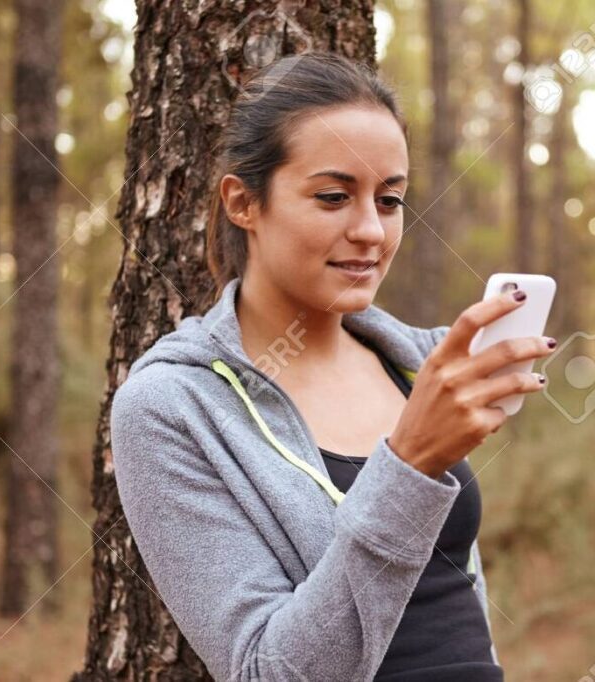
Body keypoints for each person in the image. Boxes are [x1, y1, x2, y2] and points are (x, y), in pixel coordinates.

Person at [110, 51, 557, 681]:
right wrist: (410, 465)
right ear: (243, 202)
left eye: (390, 199)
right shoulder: (172, 408)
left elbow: (456, 602)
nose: (371, 230)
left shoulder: (418, 363)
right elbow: (268, 672)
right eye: (332, 197)